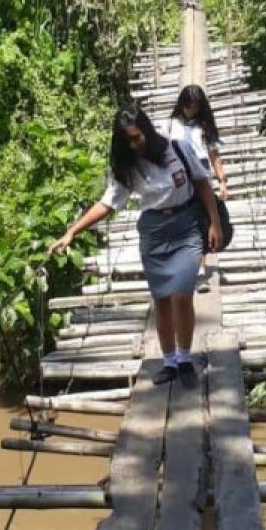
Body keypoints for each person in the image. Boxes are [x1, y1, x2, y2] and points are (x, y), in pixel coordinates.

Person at [49, 108, 222, 385]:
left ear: (147, 130)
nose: (135, 144)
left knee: (182, 294)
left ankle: (185, 358)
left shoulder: (175, 147)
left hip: (187, 226)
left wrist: (215, 223)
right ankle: (169, 363)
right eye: (127, 141)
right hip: (154, 234)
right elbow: (108, 203)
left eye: (137, 137)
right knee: (162, 299)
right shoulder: (128, 167)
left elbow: (201, 183)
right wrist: (72, 231)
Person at [165, 85, 228, 202]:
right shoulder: (169, 125)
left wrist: (222, 182)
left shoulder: (205, 126)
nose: (191, 111)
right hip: (178, 174)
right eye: (188, 106)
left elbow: (214, 156)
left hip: (201, 173)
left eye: (194, 107)